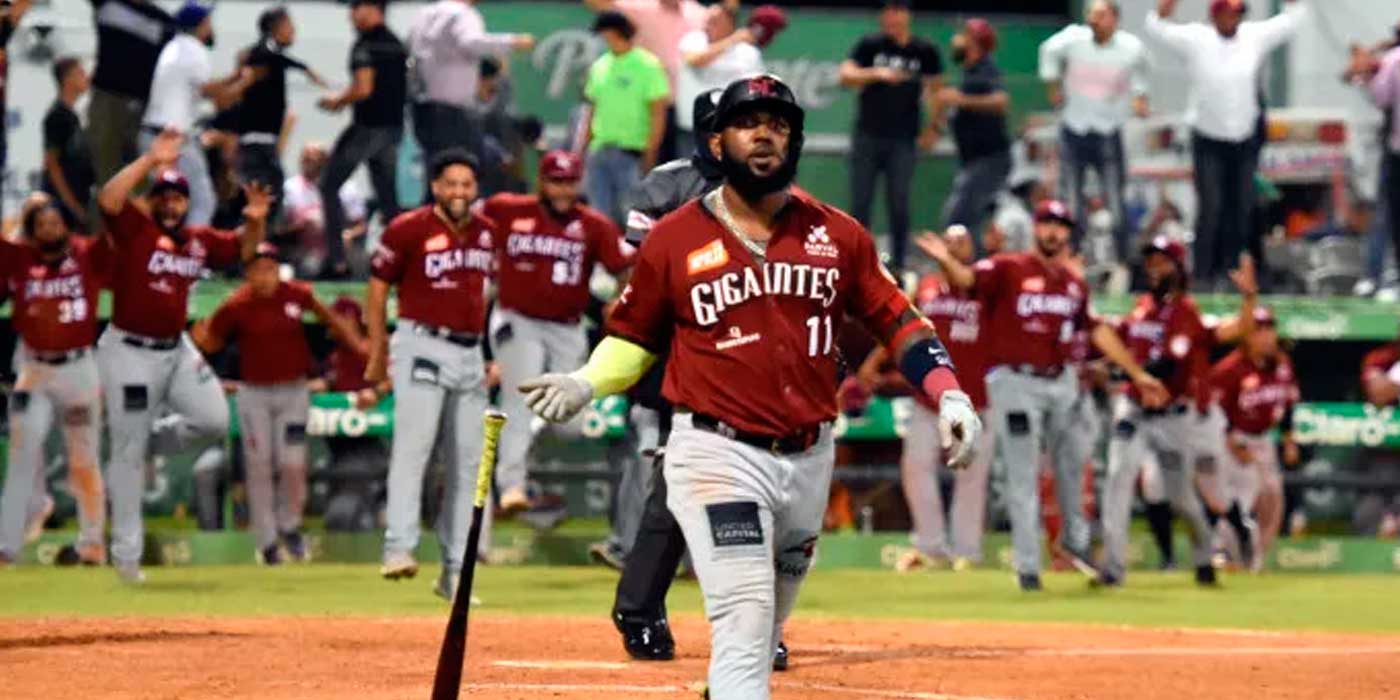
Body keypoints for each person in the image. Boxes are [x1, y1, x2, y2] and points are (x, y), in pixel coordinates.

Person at [517, 74, 981, 700]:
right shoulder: (674, 239)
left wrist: (948, 391)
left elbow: (900, 320)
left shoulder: (838, 235)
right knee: (745, 612)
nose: (765, 133)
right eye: (748, 122)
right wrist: (585, 381)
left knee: (766, 627)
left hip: (809, 456)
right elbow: (634, 339)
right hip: (716, 451)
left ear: (795, 142)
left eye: (780, 124)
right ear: (716, 143)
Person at [916, 200, 1166, 591]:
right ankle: (1029, 567)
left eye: (1061, 225)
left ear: (1069, 233)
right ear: (1036, 228)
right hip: (1015, 382)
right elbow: (967, 280)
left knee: (1073, 467)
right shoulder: (1007, 267)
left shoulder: (1072, 283)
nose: (1054, 231)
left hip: (1061, 381)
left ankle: (1075, 544)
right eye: (1047, 223)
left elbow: (1096, 330)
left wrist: (1136, 373)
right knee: (1022, 472)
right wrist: (945, 260)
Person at [95, 128, 271, 583]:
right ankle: (128, 559)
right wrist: (150, 161)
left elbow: (243, 252)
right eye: (164, 197)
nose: (171, 205)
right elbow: (109, 199)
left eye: (178, 198)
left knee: (212, 419)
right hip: (129, 350)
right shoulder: (135, 228)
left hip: (175, 349)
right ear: (153, 200)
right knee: (128, 458)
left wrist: (254, 220)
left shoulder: (196, 239)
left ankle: (142, 441)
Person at [603, 89, 724, 663]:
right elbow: (645, 267)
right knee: (672, 486)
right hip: (682, 348)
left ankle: (755, 625)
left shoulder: (776, 196)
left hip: (751, 356)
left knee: (766, 496)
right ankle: (642, 608)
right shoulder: (667, 183)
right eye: (724, 125)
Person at [364, 149, 496, 601]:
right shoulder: (407, 228)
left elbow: (489, 295)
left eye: (467, 184)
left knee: (468, 467)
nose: (459, 192)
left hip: (469, 351)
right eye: (451, 184)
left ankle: (456, 571)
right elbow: (378, 290)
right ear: (436, 187)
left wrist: (490, 351)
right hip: (421, 342)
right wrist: (378, 351)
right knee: (413, 450)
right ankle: (398, 548)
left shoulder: (486, 233)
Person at [1095, 237, 1258, 587]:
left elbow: (1171, 362)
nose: (1154, 267)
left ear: (1179, 267)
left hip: (1173, 418)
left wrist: (1248, 299)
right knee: (1117, 476)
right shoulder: (1139, 309)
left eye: (1162, 261)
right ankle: (1112, 568)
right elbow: (1114, 346)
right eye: (1151, 261)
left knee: (1182, 497)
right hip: (1135, 410)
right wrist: (1102, 366)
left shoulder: (1186, 313)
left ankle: (1202, 558)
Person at [481, 150, 635, 514]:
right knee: (518, 398)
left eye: (569, 181)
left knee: (571, 421)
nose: (563, 189)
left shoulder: (594, 225)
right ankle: (512, 486)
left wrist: (620, 302)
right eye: (556, 180)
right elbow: (467, 226)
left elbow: (625, 270)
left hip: (567, 327)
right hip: (518, 319)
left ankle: (526, 442)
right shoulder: (508, 209)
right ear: (542, 181)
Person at [192, 243, 359, 565]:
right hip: (254, 393)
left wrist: (359, 350)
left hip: (294, 391)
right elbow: (209, 342)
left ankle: (291, 528)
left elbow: (332, 320)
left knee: (293, 462)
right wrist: (208, 364)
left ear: (278, 270)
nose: (265, 276)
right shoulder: (236, 305)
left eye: (270, 268)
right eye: (258, 269)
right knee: (259, 465)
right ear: (248, 274)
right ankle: (267, 542)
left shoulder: (297, 294)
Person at [856, 224, 992, 572]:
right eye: (948, 243)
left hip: (974, 397)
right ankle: (931, 548)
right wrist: (873, 363)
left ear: (971, 248)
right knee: (916, 468)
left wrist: (945, 258)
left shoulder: (984, 281)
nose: (952, 247)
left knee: (970, 475)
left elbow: (965, 281)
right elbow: (903, 327)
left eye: (960, 243)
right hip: (928, 398)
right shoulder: (929, 286)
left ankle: (967, 551)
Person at [1144, 0, 1306, 285]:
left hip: (1243, 140)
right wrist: (1162, 11)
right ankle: (1204, 275)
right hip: (1208, 140)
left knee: (1242, 207)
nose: (1233, 18)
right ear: (1215, 14)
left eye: (1238, 13)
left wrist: (1293, 4)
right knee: (1211, 207)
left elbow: (1292, 22)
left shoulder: (1254, 36)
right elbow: (1155, 29)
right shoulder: (1197, 38)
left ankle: (1234, 272)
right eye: (1227, 12)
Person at [0, 200, 108, 567]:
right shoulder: (20, 258)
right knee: (21, 451)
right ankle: (7, 545)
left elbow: (118, 231)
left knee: (83, 459)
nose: (49, 228)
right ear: (31, 231)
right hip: (34, 369)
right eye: (41, 223)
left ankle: (92, 543)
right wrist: (21, 211)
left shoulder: (86, 254)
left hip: (78, 368)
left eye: (54, 221)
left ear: (66, 224)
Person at [1039, 0, 1150, 258]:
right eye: (1090, 13)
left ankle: (1123, 263)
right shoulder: (1073, 38)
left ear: (1114, 18)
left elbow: (1141, 77)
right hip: (1074, 130)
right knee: (1072, 204)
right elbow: (1047, 50)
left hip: (1108, 132)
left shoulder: (1131, 48)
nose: (1093, 19)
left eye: (1100, 14)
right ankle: (1071, 259)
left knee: (1115, 202)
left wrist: (1140, 97)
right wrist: (1052, 85)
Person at [839, 0, 943, 274]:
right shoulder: (870, 45)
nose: (891, 17)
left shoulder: (924, 50)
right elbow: (846, 75)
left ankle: (898, 263)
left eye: (897, 10)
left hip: (903, 139)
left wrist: (933, 127)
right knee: (860, 202)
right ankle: (856, 260)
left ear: (907, 14)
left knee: (899, 202)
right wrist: (876, 73)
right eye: (886, 11)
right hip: (867, 135)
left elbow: (936, 91)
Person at [140, 2, 255, 228]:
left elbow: (202, 86)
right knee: (203, 200)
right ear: (201, 25)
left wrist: (234, 76)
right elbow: (217, 97)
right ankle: (189, 254)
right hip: (173, 139)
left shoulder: (175, 46)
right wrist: (245, 82)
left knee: (159, 202)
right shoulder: (194, 49)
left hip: (152, 134)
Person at [318, 0, 408, 278]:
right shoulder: (396, 44)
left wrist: (337, 101)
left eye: (356, 8)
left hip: (367, 128)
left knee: (329, 185)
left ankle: (337, 261)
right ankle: (401, 263)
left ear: (373, 9)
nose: (351, 15)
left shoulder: (365, 45)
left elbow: (364, 88)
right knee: (388, 201)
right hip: (392, 129)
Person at [1205, 308, 1299, 572]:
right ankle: (1223, 554)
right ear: (1246, 336)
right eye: (1259, 330)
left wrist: (1290, 440)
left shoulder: (1282, 364)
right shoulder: (1229, 370)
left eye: (1270, 329)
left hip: (1264, 439)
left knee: (1272, 499)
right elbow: (1212, 412)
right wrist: (1230, 440)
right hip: (1233, 439)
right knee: (1239, 499)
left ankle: (1255, 560)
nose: (1267, 336)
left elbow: (1288, 404)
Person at [408, 0, 533, 195]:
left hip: (424, 109)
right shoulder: (462, 13)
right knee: (467, 174)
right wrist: (513, 41)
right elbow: (471, 42)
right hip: (452, 113)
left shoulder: (425, 14)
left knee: (437, 176)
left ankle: (432, 222)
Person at [583, 0, 709, 163]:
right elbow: (596, 3)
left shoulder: (699, 13)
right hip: (653, 101)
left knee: (689, 173)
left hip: (690, 105)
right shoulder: (641, 5)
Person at [237, 7, 326, 225]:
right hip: (257, 139)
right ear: (276, 27)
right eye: (289, 26)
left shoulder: (269, 54)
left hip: (265, 139)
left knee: (271, 192)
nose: (293, 31)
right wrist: (305, 68)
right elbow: (269, 56)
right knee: (264, 194)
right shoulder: (265, 50)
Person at [581, 11, 671, 227]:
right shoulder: (600, 65)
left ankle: (637, 259)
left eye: (604, 34)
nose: (603, 39)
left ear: (613, 33)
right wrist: (584, 146)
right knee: (598, 215)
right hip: (600, 149)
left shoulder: (648, 65)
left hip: (631, 152)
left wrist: (651, 151)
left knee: (635, 217)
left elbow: (658, 111)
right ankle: (601, 260)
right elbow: (592, 110)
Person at [935, 18, 1011, 241]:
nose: (954, 41)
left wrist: (959, 99)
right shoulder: (969, 72)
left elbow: (1000, 101)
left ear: (973, 42)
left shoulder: (985, 69)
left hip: (988, 159)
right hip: (972, 160)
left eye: (961, 36)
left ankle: (970, 271)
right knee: (970, 221)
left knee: (957, 220)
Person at [86, 0, 174, 186]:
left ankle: (137, 213)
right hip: (107, 101)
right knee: (105, 169)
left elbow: (204, 41)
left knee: (140, 173)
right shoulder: (107, 4)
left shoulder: (162, 20)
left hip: (143, 108)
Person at [675, 5, 762, 154]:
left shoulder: (748, 53)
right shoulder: (693, 40)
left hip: (729, 130)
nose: (707, 25)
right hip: (693, 129)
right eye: (707, 20)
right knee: (692, 176)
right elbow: (696, 60)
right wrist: (732, 40)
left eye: (714, 21)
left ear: (730, 24)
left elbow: (754, 89)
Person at [282, 142, 369, 277]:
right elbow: (278, 229)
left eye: (314, 159)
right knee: (307, 266)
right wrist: (300, 226)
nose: (309, 163)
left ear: (326, 161)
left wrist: (348, 235)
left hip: (341, 247)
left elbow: (361, 225)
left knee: (359, 259)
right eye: (306, 159)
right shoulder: (289, 187)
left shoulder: (347, 187)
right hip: (303, 248)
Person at [42, 57, 97, 233]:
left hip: (78, 203)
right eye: (80, 73)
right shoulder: (58, 116)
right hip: (64, 210)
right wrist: (74, 208)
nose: (86, 77)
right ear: (68, 80)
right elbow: (52, 165)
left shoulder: (72, 116)